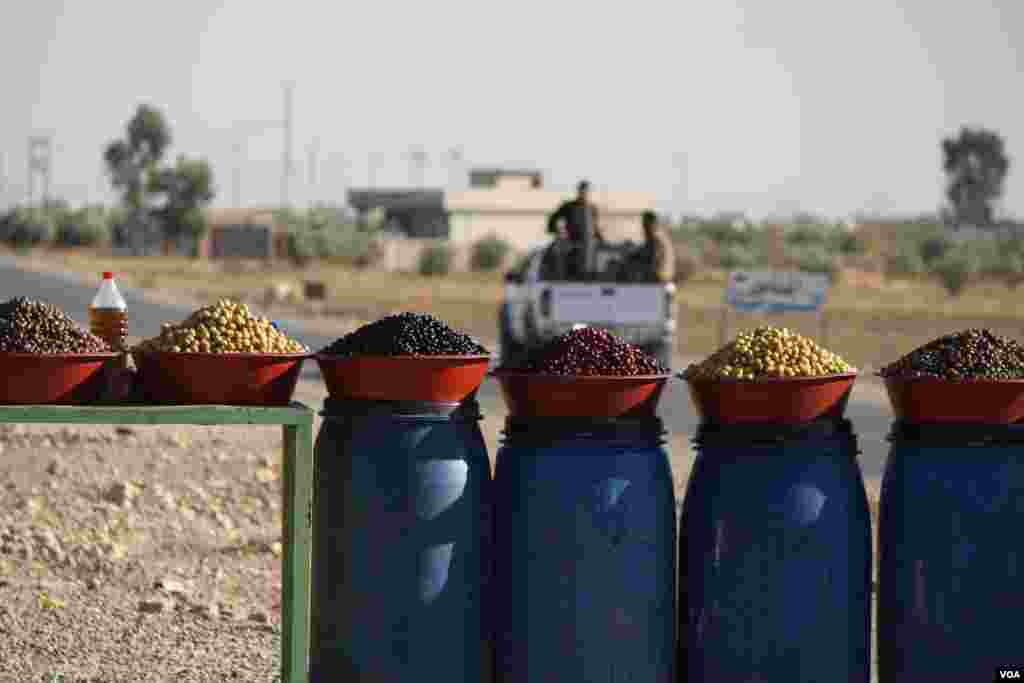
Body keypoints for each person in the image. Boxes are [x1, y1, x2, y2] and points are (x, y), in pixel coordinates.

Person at [546, 180, 604, 279]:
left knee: (588, 269)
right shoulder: (568, 206)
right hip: (571, 244)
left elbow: (595, 227)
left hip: (587, 246)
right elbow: (553, 218)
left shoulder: (592, 208)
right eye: (582, 191)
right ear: (578, 191)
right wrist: (558, 233)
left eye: (586, 191)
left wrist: (601, 239)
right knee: (569, 267)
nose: (584, 193)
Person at [629, 210, 676, 283]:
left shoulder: (656, 236)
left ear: (649, 224)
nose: (643, 228)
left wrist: (632, 254)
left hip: (661, 274)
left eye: (644, 224)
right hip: (666, 273)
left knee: (631, 270)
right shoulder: (660, 234)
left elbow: (650, 254)